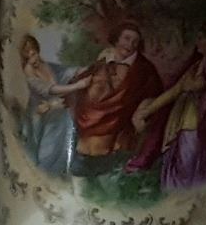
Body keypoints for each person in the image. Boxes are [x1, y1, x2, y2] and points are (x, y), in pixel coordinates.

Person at [125, 19, 206, 190]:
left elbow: (194, 87)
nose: (197, 42)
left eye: (202, 38)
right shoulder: (196, 67)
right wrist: (147, 111)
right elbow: (176, 90)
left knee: (189, 169)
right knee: (178, 168)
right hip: (181, 123)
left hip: (196, 125)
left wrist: (148, 110)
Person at [47, 22, 164, 167]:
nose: (130, 44)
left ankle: (102, 158)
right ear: (117, 39)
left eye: (135, 42)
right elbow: (83, 79)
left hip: (120, 112)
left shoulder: (144, 69)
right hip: (91, 109)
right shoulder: (105, 60)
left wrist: (142, 109)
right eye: (127, 38)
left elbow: (154, 92)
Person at [16, 35, 74, 175]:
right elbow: (46, 89)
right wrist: (75, 87)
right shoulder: (29, 69)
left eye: (34, 53)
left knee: (64, 131)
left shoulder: (46, 65)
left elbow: (64, 72)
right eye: (28, 55)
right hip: (39, 109)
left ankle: (57, 168)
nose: (33, 58)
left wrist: (80, 72)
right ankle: (38, 169)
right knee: (37, 138)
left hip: (56, 109)